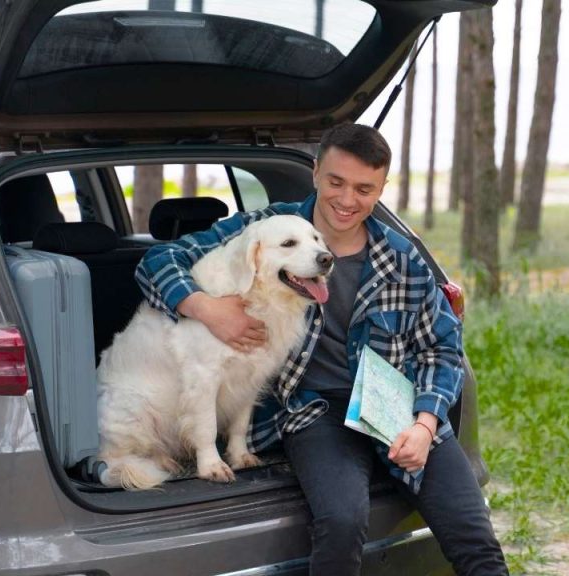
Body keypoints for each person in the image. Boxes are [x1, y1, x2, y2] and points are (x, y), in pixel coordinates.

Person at [136, 123, 508, 576]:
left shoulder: (402, 257)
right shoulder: (270, 228)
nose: (347, 200)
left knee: (474, 534)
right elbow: (158, 260)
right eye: (336, 182)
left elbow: (441, 349)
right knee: (342, 521)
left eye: (364, 188)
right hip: (315, 412)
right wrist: (206, 309)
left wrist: (425, 426)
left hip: (394, 405)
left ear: (381, 189)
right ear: (315, 172)